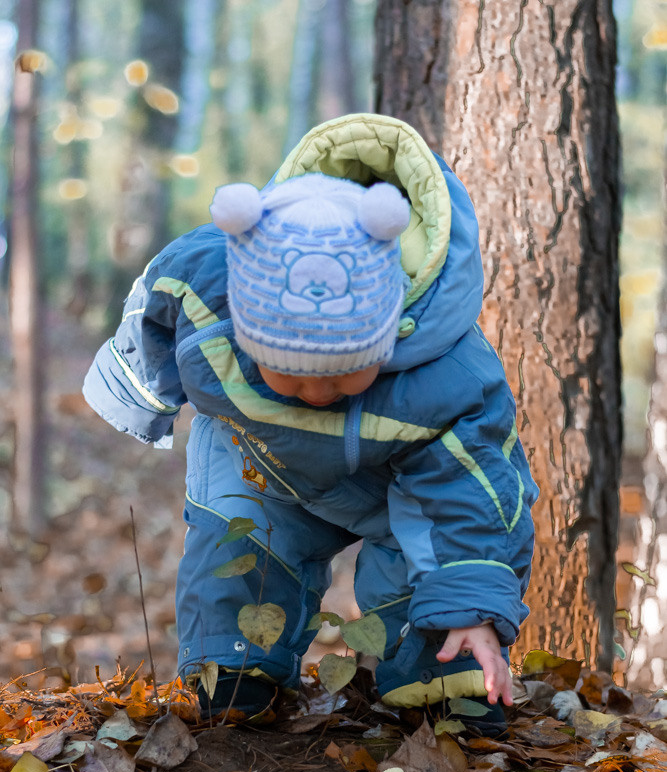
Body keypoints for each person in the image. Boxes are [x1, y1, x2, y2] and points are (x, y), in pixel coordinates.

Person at [83, 113, 538, 735]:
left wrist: (474, 609)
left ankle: (442, 684)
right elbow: (155, 304)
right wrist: (140, 392)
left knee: (430, 576)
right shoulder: (209, 287)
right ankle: (235, 674)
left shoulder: (445, 376)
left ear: (388, 336)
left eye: (343, 374)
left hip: (394, 488)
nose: (317, 393)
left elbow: (476, 495)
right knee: (235, 540)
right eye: (289, 374)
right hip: (263, 462)